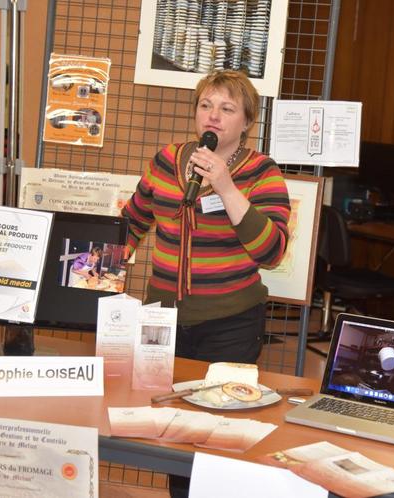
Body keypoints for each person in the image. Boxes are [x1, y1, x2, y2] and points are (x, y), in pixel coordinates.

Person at [122, 69, 290, 497]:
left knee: (218, 433)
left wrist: (227, 186)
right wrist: (95, 267)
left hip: (230, 322)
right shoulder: (166, 160)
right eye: (206, 105)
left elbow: (272, 251)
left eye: (227, 108)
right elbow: (131, 224)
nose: (213, 116)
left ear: (247, 121)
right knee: (174, 431)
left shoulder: (262, 172)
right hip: (163, 321)